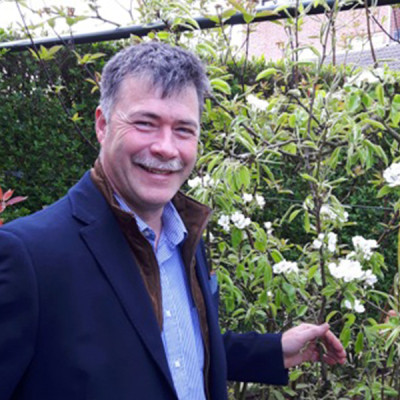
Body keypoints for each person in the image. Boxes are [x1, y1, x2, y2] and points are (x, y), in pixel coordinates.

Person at [0, 42, 346, 400]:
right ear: (103, 125)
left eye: (183, 130)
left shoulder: (184, 232)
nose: (166, 147)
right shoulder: (29, 256)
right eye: (145, 123)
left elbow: (168, 351)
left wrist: (273, 351)